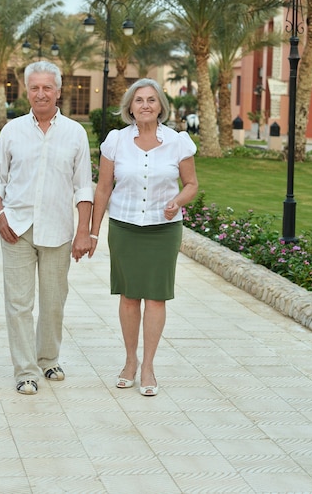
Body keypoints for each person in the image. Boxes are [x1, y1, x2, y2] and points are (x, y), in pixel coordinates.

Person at [0, 60, 93, 395]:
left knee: (53, 301)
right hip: (16, 228)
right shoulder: (12, 131)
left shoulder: (75, 133)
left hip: (59, 230)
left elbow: (83, 186)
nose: (41, 93)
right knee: (18, 303)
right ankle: (25, 371)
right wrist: (0, 216)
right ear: (27, 92)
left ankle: (48, 359)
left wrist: (83, 231)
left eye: (47, 87)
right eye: (35, 87)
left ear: (59, 91)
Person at [89, 78, 198, 396]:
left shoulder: (178, 142)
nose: (146, 105)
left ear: (161, 106)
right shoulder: (115, 141)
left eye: (152, 99)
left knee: (155, 296)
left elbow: (191, 184)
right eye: (139, 100)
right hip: (124, 227)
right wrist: (94, 231)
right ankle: (129, 361)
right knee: (129, 296)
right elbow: (103, 187)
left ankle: (148, 366)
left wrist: (177, 202)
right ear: (130, 107)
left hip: (163, 231)